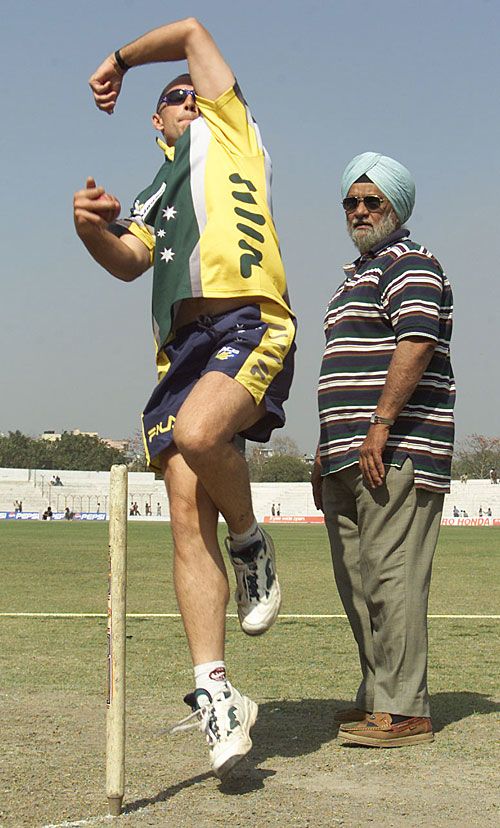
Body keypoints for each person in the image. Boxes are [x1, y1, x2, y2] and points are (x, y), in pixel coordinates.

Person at [74, 17, 295, 777]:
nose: (187, 98)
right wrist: (90, 230)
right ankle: (217, 693)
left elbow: (193, 29)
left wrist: (122, 59)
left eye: (189, 89)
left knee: (204, 435)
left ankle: (251, 542)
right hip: (180, 350)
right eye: (173, 97)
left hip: (247, 317)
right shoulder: (152, 188)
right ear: (157, 122)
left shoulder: (230, 128)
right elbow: (130, 259)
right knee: (180, 513)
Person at [312, 152, 455, 747]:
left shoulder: (412, 263)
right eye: (352, 201)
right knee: (358, 579)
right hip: (345, 457)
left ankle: (404, 709)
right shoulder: (353, 278)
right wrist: (324, 449)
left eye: (373, 201)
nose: (361, 210)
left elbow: (417, 342)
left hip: (397, 450)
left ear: (398, 207)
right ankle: (377, 696)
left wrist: (381, 423)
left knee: (391, 575)